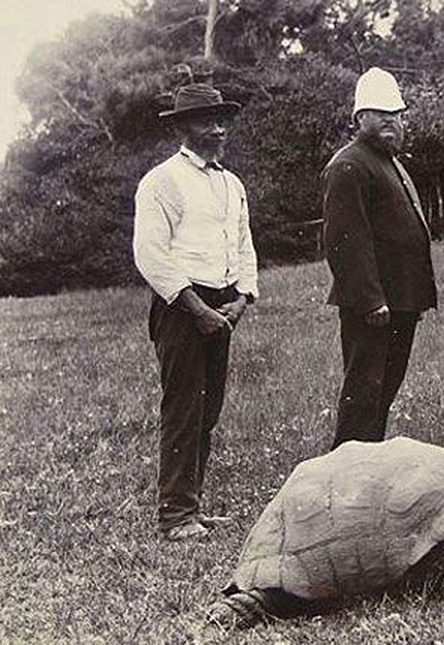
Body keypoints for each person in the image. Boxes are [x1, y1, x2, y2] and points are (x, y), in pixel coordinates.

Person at [133, 83, 258, 541]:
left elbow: (243, 244)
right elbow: (151, 255)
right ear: (183, 126)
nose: (219, 127)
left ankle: (193, 507)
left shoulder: (231, 183)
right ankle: (175, 516)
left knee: (208, 411)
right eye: (207, 119)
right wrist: (196, 308)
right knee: (183, 409)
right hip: (181, 307)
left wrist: (242, 298)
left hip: (223, 305)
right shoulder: (162, 181)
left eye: (223, 119)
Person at [321, 67, 437, 450]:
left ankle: (367, 465)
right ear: (359, 118)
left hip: (401, 300)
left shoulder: (389, 162)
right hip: (373, 305)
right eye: (379, 112)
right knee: (363, 394)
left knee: (383, 391)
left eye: (396, 113)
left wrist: (413, 297)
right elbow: (345, 241)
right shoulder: (349, 165)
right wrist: (371, 300)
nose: (391, 120)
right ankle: (345, 473)